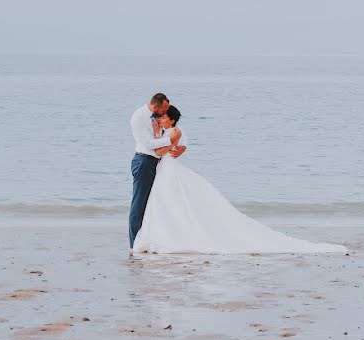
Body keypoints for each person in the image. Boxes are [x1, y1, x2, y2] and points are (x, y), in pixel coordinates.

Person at [133, 105, 346, 255]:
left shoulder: (174, 132)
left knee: (172, 202)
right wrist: (156, 134)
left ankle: (172, 235)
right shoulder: (166, 131)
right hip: (165, 171)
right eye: (159, 117)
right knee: (164, 204)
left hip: (169, 170)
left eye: (162, 117)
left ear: (171, 119)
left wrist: (158, 139)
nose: (159, 119)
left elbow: (161, 151)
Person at [128, 93, 186, 250]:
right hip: (144, 161)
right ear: (155, 107)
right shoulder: (139, 118)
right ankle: (134, 245)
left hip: (158, 165)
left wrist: (181, 145)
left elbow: (172, 132)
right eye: (164, 110)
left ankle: (150, 240)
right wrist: (172, 140)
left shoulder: (159, 120)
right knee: (139, 205)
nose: (164, 115)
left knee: (154, 204)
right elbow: (149, 144)